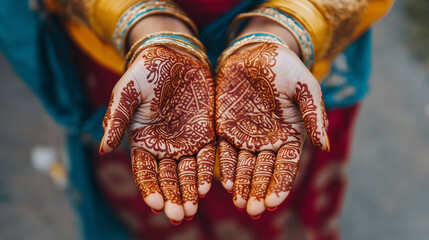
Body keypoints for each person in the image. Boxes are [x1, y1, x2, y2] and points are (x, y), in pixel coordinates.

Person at [0, 0, 393, 239]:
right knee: (155, 210)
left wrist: (283, 30)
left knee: (270, 208)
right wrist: (150, 28)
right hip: (126, 65)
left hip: (290, 78)